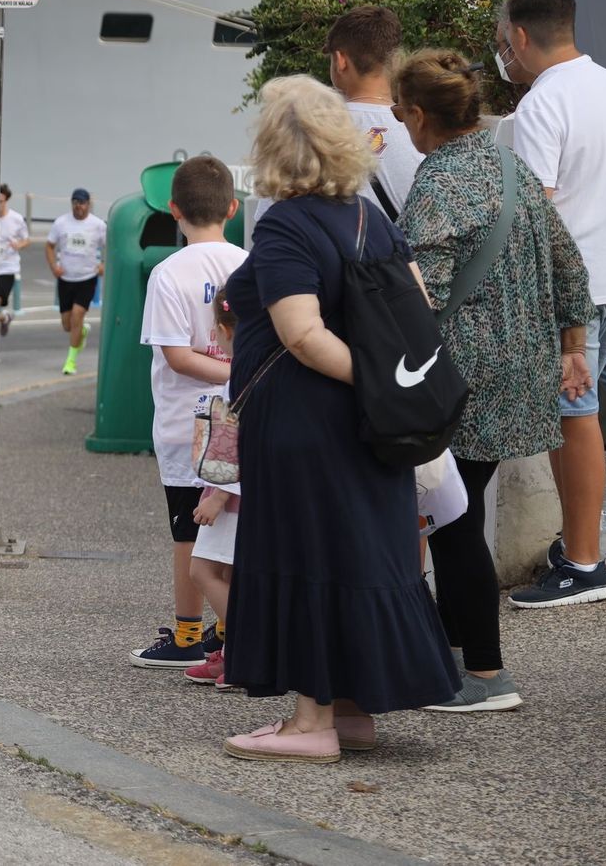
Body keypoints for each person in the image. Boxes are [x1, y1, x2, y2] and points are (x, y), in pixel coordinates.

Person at [221, 75, 459, 765]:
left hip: (306, 423)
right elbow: (417, 301)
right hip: (369, 427)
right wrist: (388, 386)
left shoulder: (287, 225)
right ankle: (353, 711)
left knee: (307, 555)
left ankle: (309, 722)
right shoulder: (370, 217)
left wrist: (372, 377)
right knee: (360, 550)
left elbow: (301, 333)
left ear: (274, 144)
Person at [396, 49, 594, 711]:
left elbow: (422, 294)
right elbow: (570, 263)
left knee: (452, 519)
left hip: (461, 375)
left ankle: (483, 672)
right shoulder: (511, 167)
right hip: (522, 369)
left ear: (420, 115)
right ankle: (455, 657)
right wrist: (573, 345)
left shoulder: (437, 183)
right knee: (459, 506)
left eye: (401, 113)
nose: (400, 125)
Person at [498, 0, 606, 605]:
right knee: (586, 418)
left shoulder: (542, 105)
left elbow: (535, 215)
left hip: (575, 291)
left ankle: (586, 563)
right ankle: (577, 547)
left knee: (575, 419)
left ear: (518, 36)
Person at [132, 156, 244, 670]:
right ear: (233, 207)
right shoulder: (250, 264)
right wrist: (245, 376)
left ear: (173, 209)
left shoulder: (167, 273)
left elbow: (176, 357)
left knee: (187, 531)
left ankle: (186, 636)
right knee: (234, 528)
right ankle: (223, 631)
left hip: (186, 425)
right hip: (243, 420)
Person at [250, 6, 423, 231]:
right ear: (394, 60)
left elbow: (268, 222)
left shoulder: (305, 128)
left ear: (340, 60)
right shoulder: (423, 129)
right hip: (400, 265)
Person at [185, 288, 240, 689]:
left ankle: (240, 649)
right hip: (240, 495)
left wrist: (218, 497)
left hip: (229, 495)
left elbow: (234, 442)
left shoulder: (237, 378)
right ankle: (236, 652)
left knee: (201, 570)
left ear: (223, 330)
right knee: (229, 573)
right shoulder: (261, 369)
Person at [46, 188, 106, 374]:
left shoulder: (97, 225)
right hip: (66, 278)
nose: (78, 206)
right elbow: (49, 245)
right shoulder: (61, 223)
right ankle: (82, 332)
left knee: (77, 315)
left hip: (87, 278)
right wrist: (53, 267)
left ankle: (70, 362)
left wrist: (104, 264)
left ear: (89, 204)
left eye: (82, 203)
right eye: (75, 202)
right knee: (67, 324)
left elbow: (111, 246)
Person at [0, 183, 30, 336]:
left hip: (7, 268)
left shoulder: (16, 219)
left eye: (0, 201)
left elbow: (26, 239)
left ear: (6, 201)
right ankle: (4, 318)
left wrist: (18, 244)